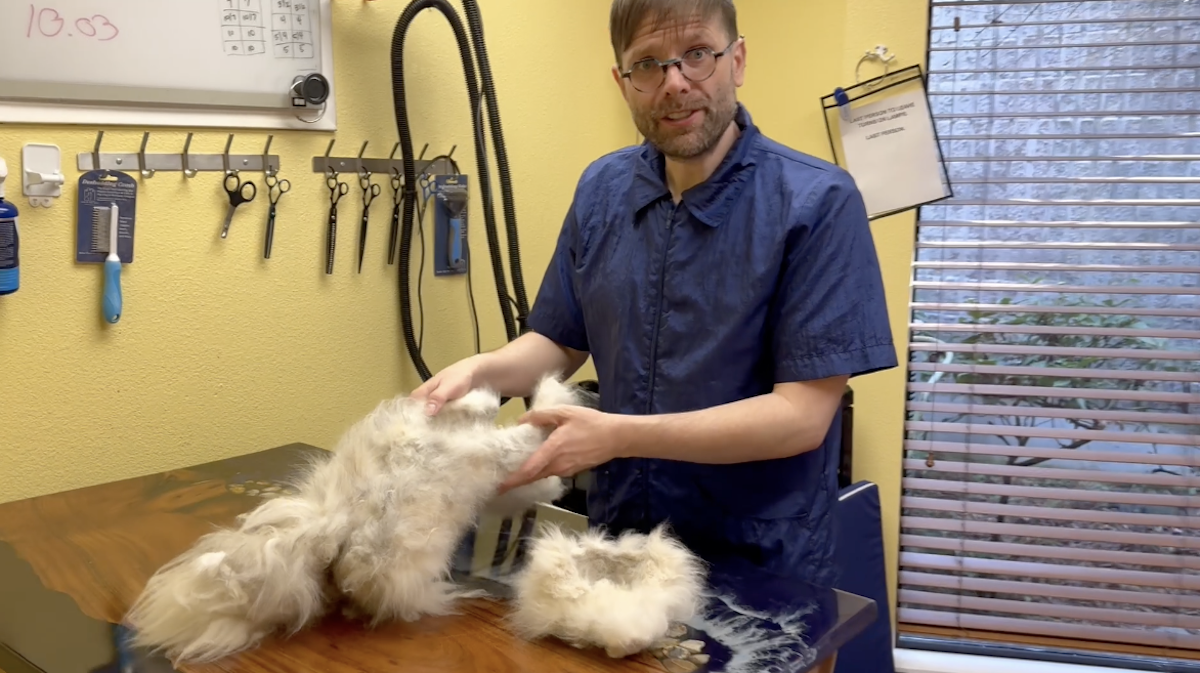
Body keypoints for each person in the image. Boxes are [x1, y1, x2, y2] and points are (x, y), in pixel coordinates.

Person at [412, 0, 897, 589]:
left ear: (736, 60)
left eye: (696, 54)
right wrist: (478, 373)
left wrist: (618, 434)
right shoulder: (602, 190)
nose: (674, 83)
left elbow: (801, 418)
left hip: (760, 565)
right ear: (622, 82)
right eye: (647, 64)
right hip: (620, 551)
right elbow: (560, 343)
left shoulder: (817, 203)